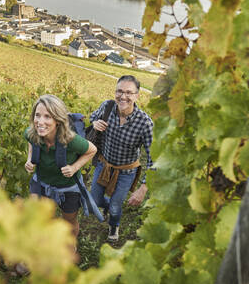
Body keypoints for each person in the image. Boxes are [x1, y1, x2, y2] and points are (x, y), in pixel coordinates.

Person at [90, 75, 154, 241]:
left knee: (116, 206)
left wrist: (143, 188)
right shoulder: (107, 106)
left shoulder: (145, 123)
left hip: (126, 172)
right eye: (119, 91)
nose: (123, 96)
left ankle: (114, 226)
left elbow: (154, 158)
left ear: (137, 95)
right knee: (95, 199)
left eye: (128, 92)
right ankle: (108, 208)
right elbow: (92, 117)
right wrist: (95, 123)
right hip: (104, 165)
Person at [24, 94, 97, 239]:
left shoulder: (70, 140)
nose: (40, 121)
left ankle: (70, 246)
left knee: (69, 222)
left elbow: (92, 150)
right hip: (42, 183)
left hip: (68, 187)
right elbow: (30, 141)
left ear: (57, 120)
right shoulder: (32, 133)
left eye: (47, 117)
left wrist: (74, 167)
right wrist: (30, 159)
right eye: (37, 115)